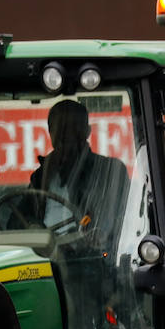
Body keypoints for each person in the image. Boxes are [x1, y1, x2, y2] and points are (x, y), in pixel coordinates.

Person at [27, 99, 128, 252]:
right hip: (45, 257)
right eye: (60, 129)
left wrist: (82, 240)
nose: (66, 135)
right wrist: (33, 228)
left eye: (74, 128)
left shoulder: (108, 171)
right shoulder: (39, 176)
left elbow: (115, 222)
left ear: (87, 131)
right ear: (50, 133)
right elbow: (18, 220)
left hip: (91, 257)